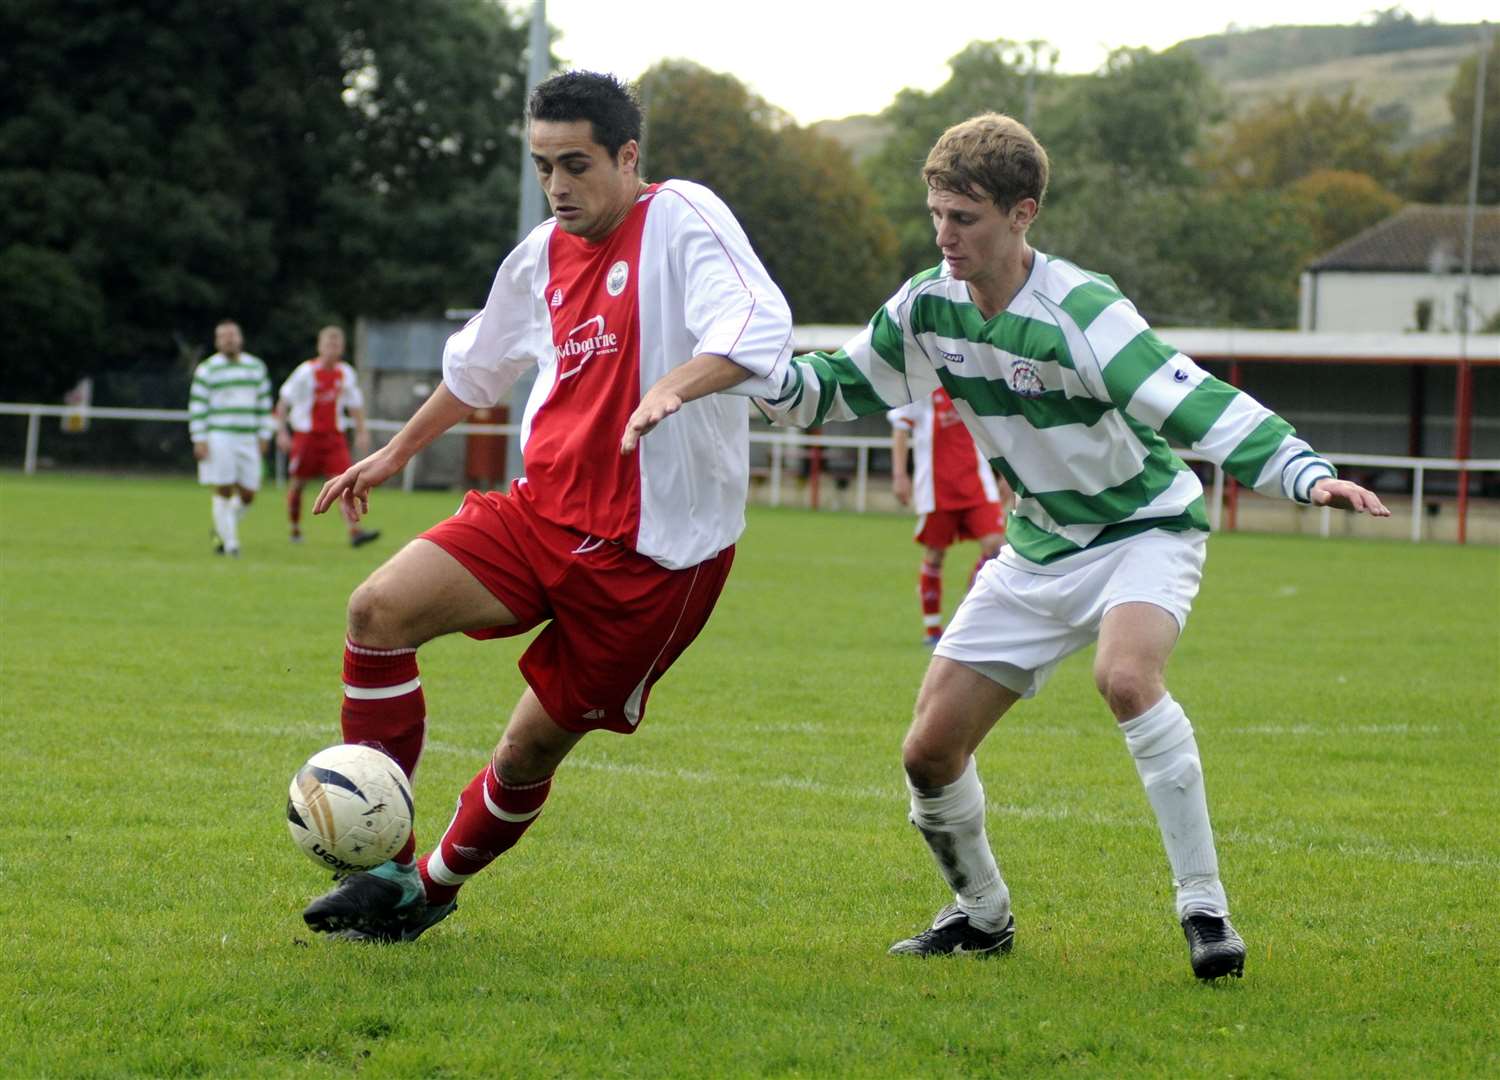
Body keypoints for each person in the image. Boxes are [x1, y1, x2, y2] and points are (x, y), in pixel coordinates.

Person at [757, 113, 1389, 980]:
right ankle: (982, 917)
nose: (945, 236)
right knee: (928, 752)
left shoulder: (1083, 312)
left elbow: (1195, 399)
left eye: (966, 218)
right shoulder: (927, 306)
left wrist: (1301, 470)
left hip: (1144, 528)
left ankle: (1206, 911)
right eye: (936, 214)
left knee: (1126, 678)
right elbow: (831, 386)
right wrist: (749, 371)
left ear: (1024, 214)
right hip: (1040, 546)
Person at [298, 70, 792, 942]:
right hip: (540, 514)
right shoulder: (540, 254)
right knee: (376, 609)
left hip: (656, 560)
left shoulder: (681, 219)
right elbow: (478, 369)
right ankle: (383, 866)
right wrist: (396, 449)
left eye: (576, 165)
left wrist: (673, 386)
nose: (558, 187)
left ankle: (433, 887)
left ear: (628, 157)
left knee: (527, 752)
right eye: (542, 167)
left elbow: (757, 324)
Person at [888, 386, 1009, 647]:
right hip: (936, 487)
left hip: (977, 483)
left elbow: (999, 429)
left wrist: (1007, 476)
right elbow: (900, 427)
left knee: (996, 546)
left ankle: (968, 615)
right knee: (935, 553)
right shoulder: (919, 383)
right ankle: (932, 629)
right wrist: (899, 474)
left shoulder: (971, 378)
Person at [273, 326, 380, 548]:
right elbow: (283, 402)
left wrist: (361, 431)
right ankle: (294, 528)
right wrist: (282, 431)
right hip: (307, 438)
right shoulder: (305, 372)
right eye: (329, 344)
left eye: (337, 344)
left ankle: (355, 532)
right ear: (320, 346)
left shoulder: (345, 372)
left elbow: (355, 405)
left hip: (334, 438)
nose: (333, 348)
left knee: (345, 482)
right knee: (298, 485)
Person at [188, 320, 272, 556]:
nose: (229, 339)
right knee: (223, 488)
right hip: (220, 436)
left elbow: (264, 404)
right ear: (217, 341)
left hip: (247, 436)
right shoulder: (208, 369)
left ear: (240, 338)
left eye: (232, 335)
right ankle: (231, 544)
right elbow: (197, 406)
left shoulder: (255, 367)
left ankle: (222, 529)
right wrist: (199, 438)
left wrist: (265, 434)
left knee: (249, 493)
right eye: (223, 336)